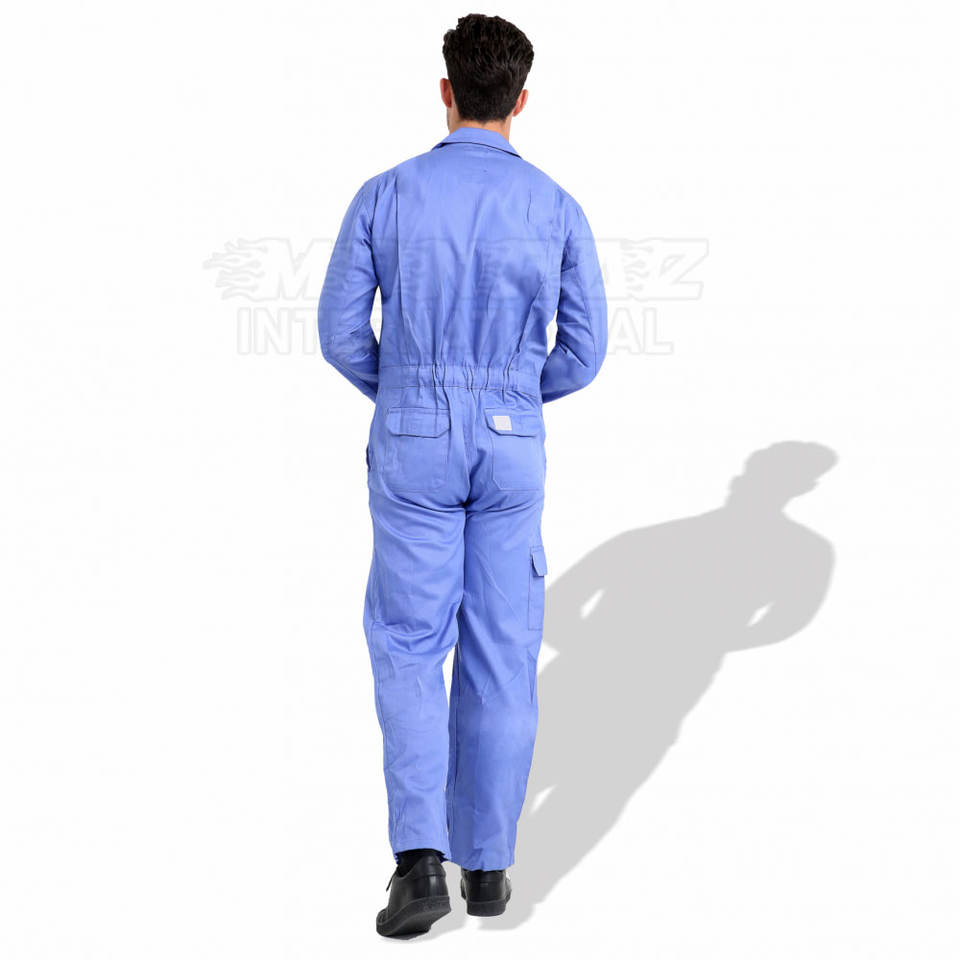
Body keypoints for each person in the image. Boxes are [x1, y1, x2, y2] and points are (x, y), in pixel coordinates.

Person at [318, 13, 607, 936]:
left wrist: (408, 395)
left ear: (446, 91)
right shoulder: (556, 206)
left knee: (410, 642)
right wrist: (511, 397)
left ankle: (417, 868)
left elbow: (338, 334)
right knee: (503, 647)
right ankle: (488, 870)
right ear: (521, 100)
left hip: (412, 436)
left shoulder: (385, 194)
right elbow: (586, 352)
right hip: (512, 438)